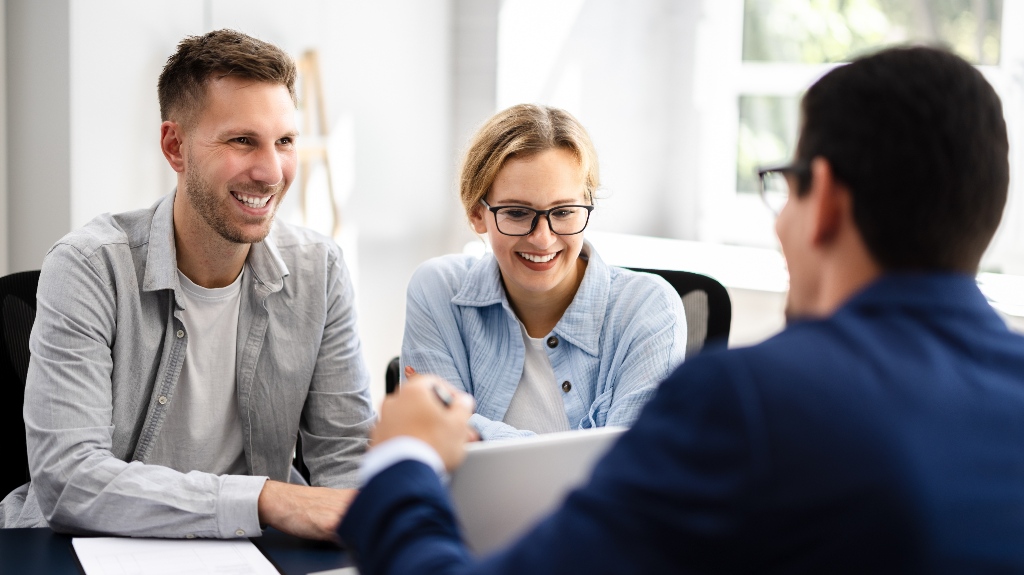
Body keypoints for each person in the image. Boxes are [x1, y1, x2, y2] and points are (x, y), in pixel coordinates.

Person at [338, 46, 1024, 572]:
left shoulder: (749, 403)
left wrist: (401, 461)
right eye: (518, 213)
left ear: (828, 205)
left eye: (785, 189)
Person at [0, 29, 375, 541]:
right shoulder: (88, 267)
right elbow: (70, 481)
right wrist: (263, 498)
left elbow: (345, 458)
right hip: (96, 551)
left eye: (284, 141)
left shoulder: (321, 270)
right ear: (175, 147)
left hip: (255, 554)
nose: (271, 171)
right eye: (243, 140)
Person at [400, 104, 687, 440]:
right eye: (518, 213)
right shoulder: (439, 290)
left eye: (564, 211)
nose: (542, 238)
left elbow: (632, 471)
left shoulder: (649, 308)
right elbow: (435, 453)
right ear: (478, 214)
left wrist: (474, 429)